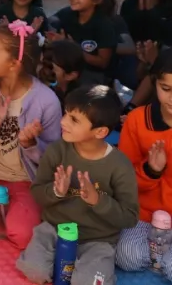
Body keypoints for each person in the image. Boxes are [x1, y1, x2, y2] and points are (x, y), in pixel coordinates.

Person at [17, 86, 139, 285]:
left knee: (85, 282)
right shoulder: (57, 151)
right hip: (54, 230)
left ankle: (82, 269)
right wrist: (57, 191)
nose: (63, 122)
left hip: (97, 240)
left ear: (100, 131)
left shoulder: (119, 165)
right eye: (66, 114)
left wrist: (98, 200)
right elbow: (37, 192)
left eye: (74, 119)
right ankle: (60, 264)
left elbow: (130, 217)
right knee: (34, 270)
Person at [0, 21, 63, 249]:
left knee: (23, 235)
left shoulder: (47, 101)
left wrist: (31, 144)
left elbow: (56, 158)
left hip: (22, 178)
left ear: (14, 64)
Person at [115, 49, 172, 278]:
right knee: (126, 256)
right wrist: (151, 171)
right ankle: (161, 258)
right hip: (145, 213)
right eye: (166, 89)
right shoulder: (138, 120)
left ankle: (162, 259)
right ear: (154, 83)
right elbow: (123, 180)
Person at [47, 0, 119, 87]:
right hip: (69, 68)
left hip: (92, 73)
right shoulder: (66, 14)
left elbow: (102, 62)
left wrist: (72, 48)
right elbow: (49, 26)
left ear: (97, 0)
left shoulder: (104, 25)